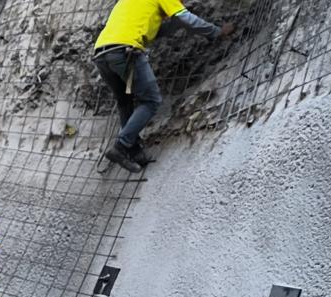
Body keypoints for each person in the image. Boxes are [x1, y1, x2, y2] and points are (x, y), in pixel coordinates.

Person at [93, 0, 234, 172]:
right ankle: (121, 146)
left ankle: (134, 150)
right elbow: (187, 18)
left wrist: (175, 24)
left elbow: (153, 31)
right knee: (151, 101)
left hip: (101, 53)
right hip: (126, 51)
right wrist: (217, 32)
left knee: (125, 101)